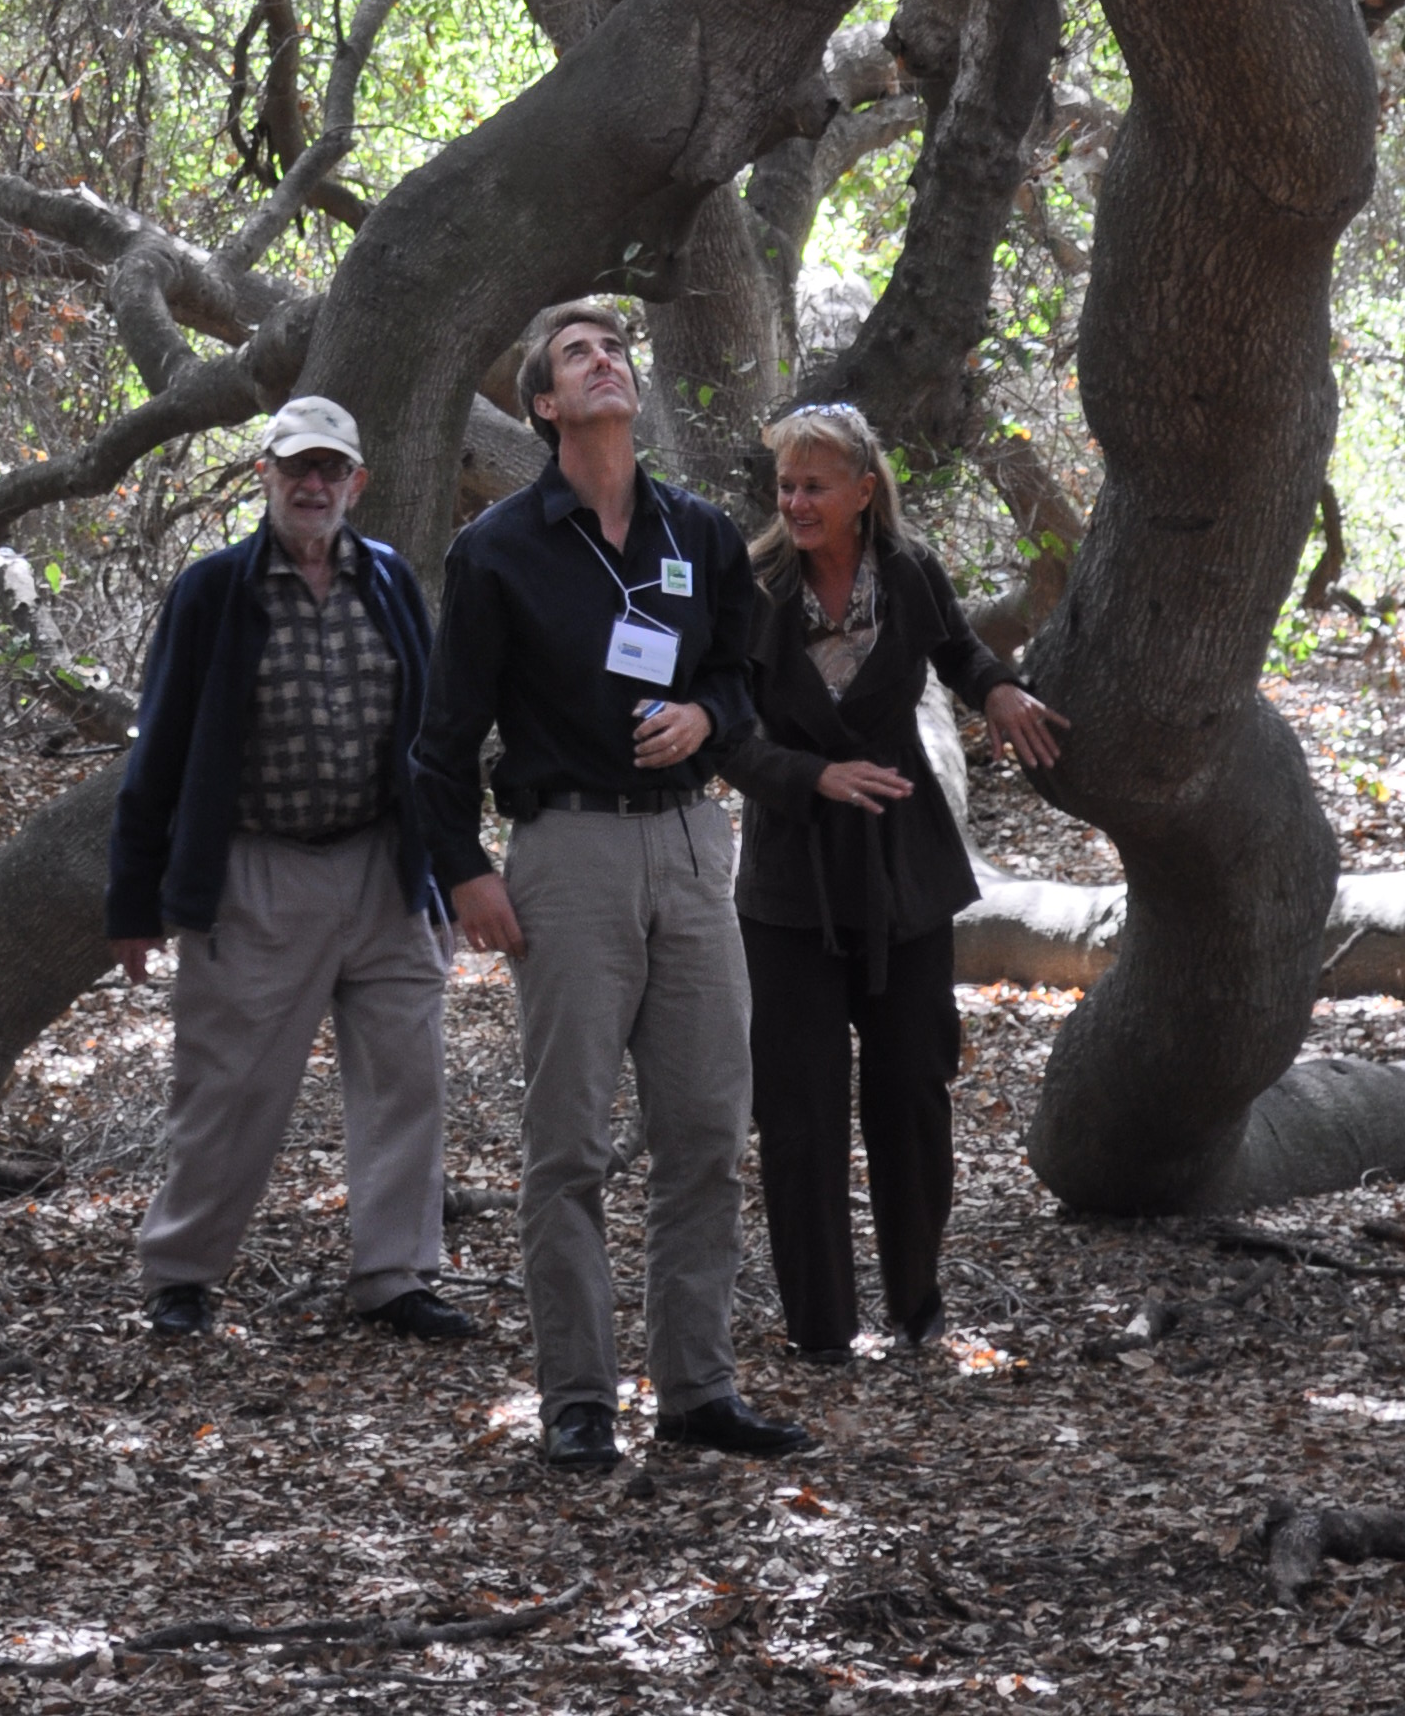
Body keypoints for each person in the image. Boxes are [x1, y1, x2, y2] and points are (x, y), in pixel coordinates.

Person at [414, 303, 811, 1472]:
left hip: (692, 847)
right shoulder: (496, 552)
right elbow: (440, 744)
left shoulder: (697, 534)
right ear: (542, 405)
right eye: (576, 354)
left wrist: (705, 713)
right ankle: (579, 1398)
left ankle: (696, 1390)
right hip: (568, 855)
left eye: (615, 350)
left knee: (701, 1132)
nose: (604, 361)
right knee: (569, 1145)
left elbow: (743, 679)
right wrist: (465, 872)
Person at [107, 397, 471, 1344]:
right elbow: (161, 755)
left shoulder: (390, 580)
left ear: (358, 483)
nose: (313, 486)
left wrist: (449, 873)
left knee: (407, 1078)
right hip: (257, 873)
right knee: (227, 1086)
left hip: (384, 869)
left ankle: (396, 1275)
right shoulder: (214, 590)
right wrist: (136, 902)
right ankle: (182, 1276)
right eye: (294, 469)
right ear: (263, 476)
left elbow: (431, 739)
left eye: (330, 471)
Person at [714, 401, 1066, 1364]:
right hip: (790, 883)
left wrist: (998, 688)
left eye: (815, 485)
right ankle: (820, 1329)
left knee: (913, 1088)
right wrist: (810, 775)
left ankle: (917, 1305)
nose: (796, 502)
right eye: (786, 486)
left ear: (865, 493)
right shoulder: (751, 588)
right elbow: (726, 734)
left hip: (904, 873)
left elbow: (956, 649)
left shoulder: (907, 574)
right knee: (799, 1108)